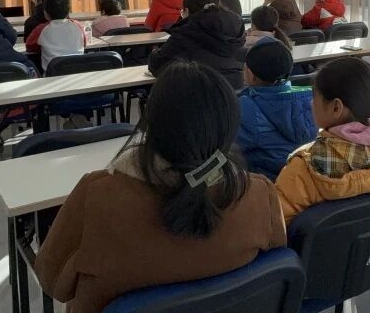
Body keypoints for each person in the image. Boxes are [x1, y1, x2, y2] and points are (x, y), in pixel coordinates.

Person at [34, 62, 287, 311]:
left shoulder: (97, 196)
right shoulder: (259, 194)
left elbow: (52, 282)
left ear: (152, 122)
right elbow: (275, 267)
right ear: (230, 124)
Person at [274, 57, 370, 224]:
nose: (311, 103)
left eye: (314, 97)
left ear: (336, 107)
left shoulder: (302, 170)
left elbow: (277, 225)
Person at [236, 38, 317, 180]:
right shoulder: (312, 98)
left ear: (250, 74)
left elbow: (230, 145)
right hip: (305, 178)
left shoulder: (246, 108)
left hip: (270, 181)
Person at [148, 0, 246, 89]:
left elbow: (156, 64)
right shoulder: (236, 28)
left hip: (197, 93)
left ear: (186, 11)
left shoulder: (186, 32)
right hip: (235, 93)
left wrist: (155, 52)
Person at [26, 0, 86, 71]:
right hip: (78, 72)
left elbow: (29, 46)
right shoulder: (78, 26)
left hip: (53, 75)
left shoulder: (41, 29)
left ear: (45, 13)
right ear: (68, 11)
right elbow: (84, 43)